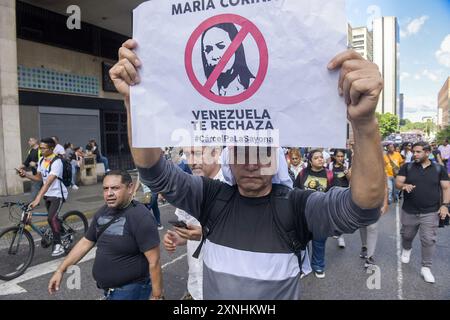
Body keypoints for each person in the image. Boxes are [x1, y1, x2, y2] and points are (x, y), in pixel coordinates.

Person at [110, 40, 385, 299]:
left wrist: (364, 123)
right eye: (243, 151)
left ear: (276, 158)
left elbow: (363, 209)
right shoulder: (210, 196)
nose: (252, 163)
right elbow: (154, 173)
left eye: (263, 151)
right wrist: (136, 104)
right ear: (229, 157)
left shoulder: (299, 207)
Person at [48, 170, 163, 300]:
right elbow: (85, 242)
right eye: (105, 189)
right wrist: (60, 270)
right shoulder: (102, 212)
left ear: (130, 188)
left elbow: (154, 261)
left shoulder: (141, 217)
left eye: (115, 188)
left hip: (130, 291)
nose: (109, 193)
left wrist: (156, 295)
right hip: (110, 291)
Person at [164, 146, 223, 300]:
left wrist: (205, 232)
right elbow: (185, 228)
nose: (191, 161)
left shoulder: (235, 186)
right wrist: (178, 237)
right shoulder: (188, 188)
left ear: (216, 153)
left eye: (197, 153)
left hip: (224, 289)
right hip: (196, 284)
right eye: (187, 154)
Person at [395, 142, 450, 283]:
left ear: (427, 152)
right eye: (414, 151)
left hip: (430, 211)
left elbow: (446, 188)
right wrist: (404, 185)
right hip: (409, 210)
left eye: (418, 152)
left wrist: (445, 206)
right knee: (406, 235)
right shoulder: (407, 167)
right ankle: (407, 249)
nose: (415, 154)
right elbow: (398, 183)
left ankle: (426, 267)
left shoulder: (439, 169)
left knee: (428, 239)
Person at [18, 137, 68, 257]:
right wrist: (26, 175)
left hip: (57, 194)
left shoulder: (57, 162)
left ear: (51, 148)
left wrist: (37, 199)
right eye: (40, 147)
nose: (41, 150)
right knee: (53, 217)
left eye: (43, 148)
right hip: (47, 195)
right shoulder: (41, 160)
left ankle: (58, 245)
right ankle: (60, 231)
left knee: (51, 218)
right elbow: (39, 178)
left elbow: (48, 182)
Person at [294, 150, 334, 277]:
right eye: (316, 158)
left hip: (321, 214)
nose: (320, 159)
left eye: (321, 157)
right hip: (303, 213)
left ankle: (318, 266)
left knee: (319, 241)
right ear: (310, 161)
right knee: (301, 242)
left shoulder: (329, 174)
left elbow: (334, 193)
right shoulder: (302, 173)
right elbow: (295, 190)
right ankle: (301, 267)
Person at [201, 23, 255, 96]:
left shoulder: (252, 84)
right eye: (208, 49)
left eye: (221, 46)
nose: (215, 56)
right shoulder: (211, 90)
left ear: (237, 47)